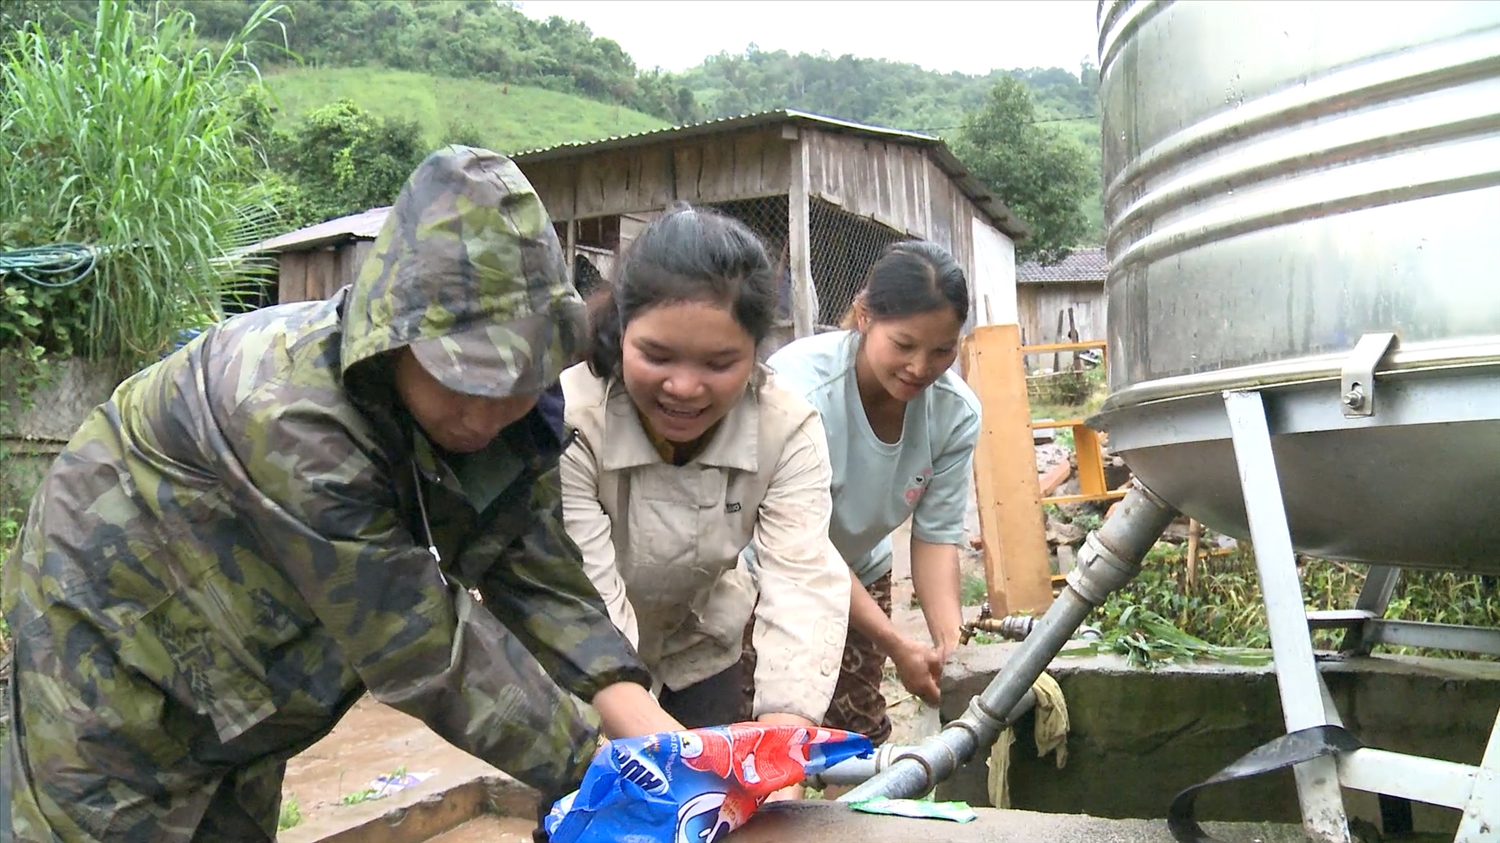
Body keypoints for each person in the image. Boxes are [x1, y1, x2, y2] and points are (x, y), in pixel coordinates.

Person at [0, 146, 682, 843]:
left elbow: (529, 564)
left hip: (246, 663)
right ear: (394, 340)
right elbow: (420, 643)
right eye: (460, 378)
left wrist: (665, 744)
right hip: (103, 629)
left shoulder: (506, 418)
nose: (482, 415)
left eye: (510, 384)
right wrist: (602, 768)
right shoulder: (292, 413)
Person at [558, 202, 851, 759]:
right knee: (588, 813)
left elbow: (802, 578)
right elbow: (582, 596)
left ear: (756, 355)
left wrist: (782, 733)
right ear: (622, 332)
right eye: (657, 355)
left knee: (718, 817)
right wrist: (673, 752)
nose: (684, 388)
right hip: (585, 650)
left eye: (718, 364)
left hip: (702, 644)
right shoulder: (571, 423)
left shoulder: (785, 428)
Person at [757, 239, 981, 750]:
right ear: (863, 317)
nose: (921, 367)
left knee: (853, 739)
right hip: (767, 574)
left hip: (859, 570)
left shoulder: (954, 413)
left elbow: (936, 537)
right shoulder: (798, 391)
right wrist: (898, 642)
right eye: (903, 345)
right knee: (768, 740)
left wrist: (952, 649)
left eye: (942, 350)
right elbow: (803, 547)